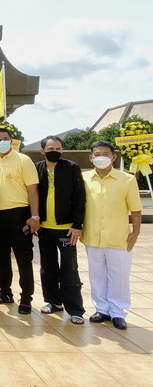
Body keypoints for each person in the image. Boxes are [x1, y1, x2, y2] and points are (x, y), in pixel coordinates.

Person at [82, 140, 142, 330]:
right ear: (91, 157)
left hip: (119, 237)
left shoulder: (127, 180)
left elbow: (136, 210)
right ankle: (101, 309)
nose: (101, 157)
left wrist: (135, 232)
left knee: (119, 275)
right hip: (92, 235)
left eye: (105, 154)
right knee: (96, 275)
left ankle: (117, 311)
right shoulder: (83, 179)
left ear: (113, 157)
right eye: (97, 154)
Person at [0, 128, 40, 314]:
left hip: (19, 214)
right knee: (1, 256)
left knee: (23, 257)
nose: (2, 141)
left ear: (11, 140)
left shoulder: (23, 160)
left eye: (5, 138)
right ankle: (5, 292)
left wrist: (34, 216)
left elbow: (32, 190)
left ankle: (26, 297)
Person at [35, 136, 86, 324]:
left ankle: (75, 309)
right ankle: (54, 302)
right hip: (44, 228)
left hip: (66, 229)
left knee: (69, 269)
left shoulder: (71, 167)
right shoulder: (37, 168)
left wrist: (77, 225)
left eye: (58, 148)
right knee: (48, 268)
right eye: (50, 148)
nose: (54, 151)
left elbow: (80, 196)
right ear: (42, 151)